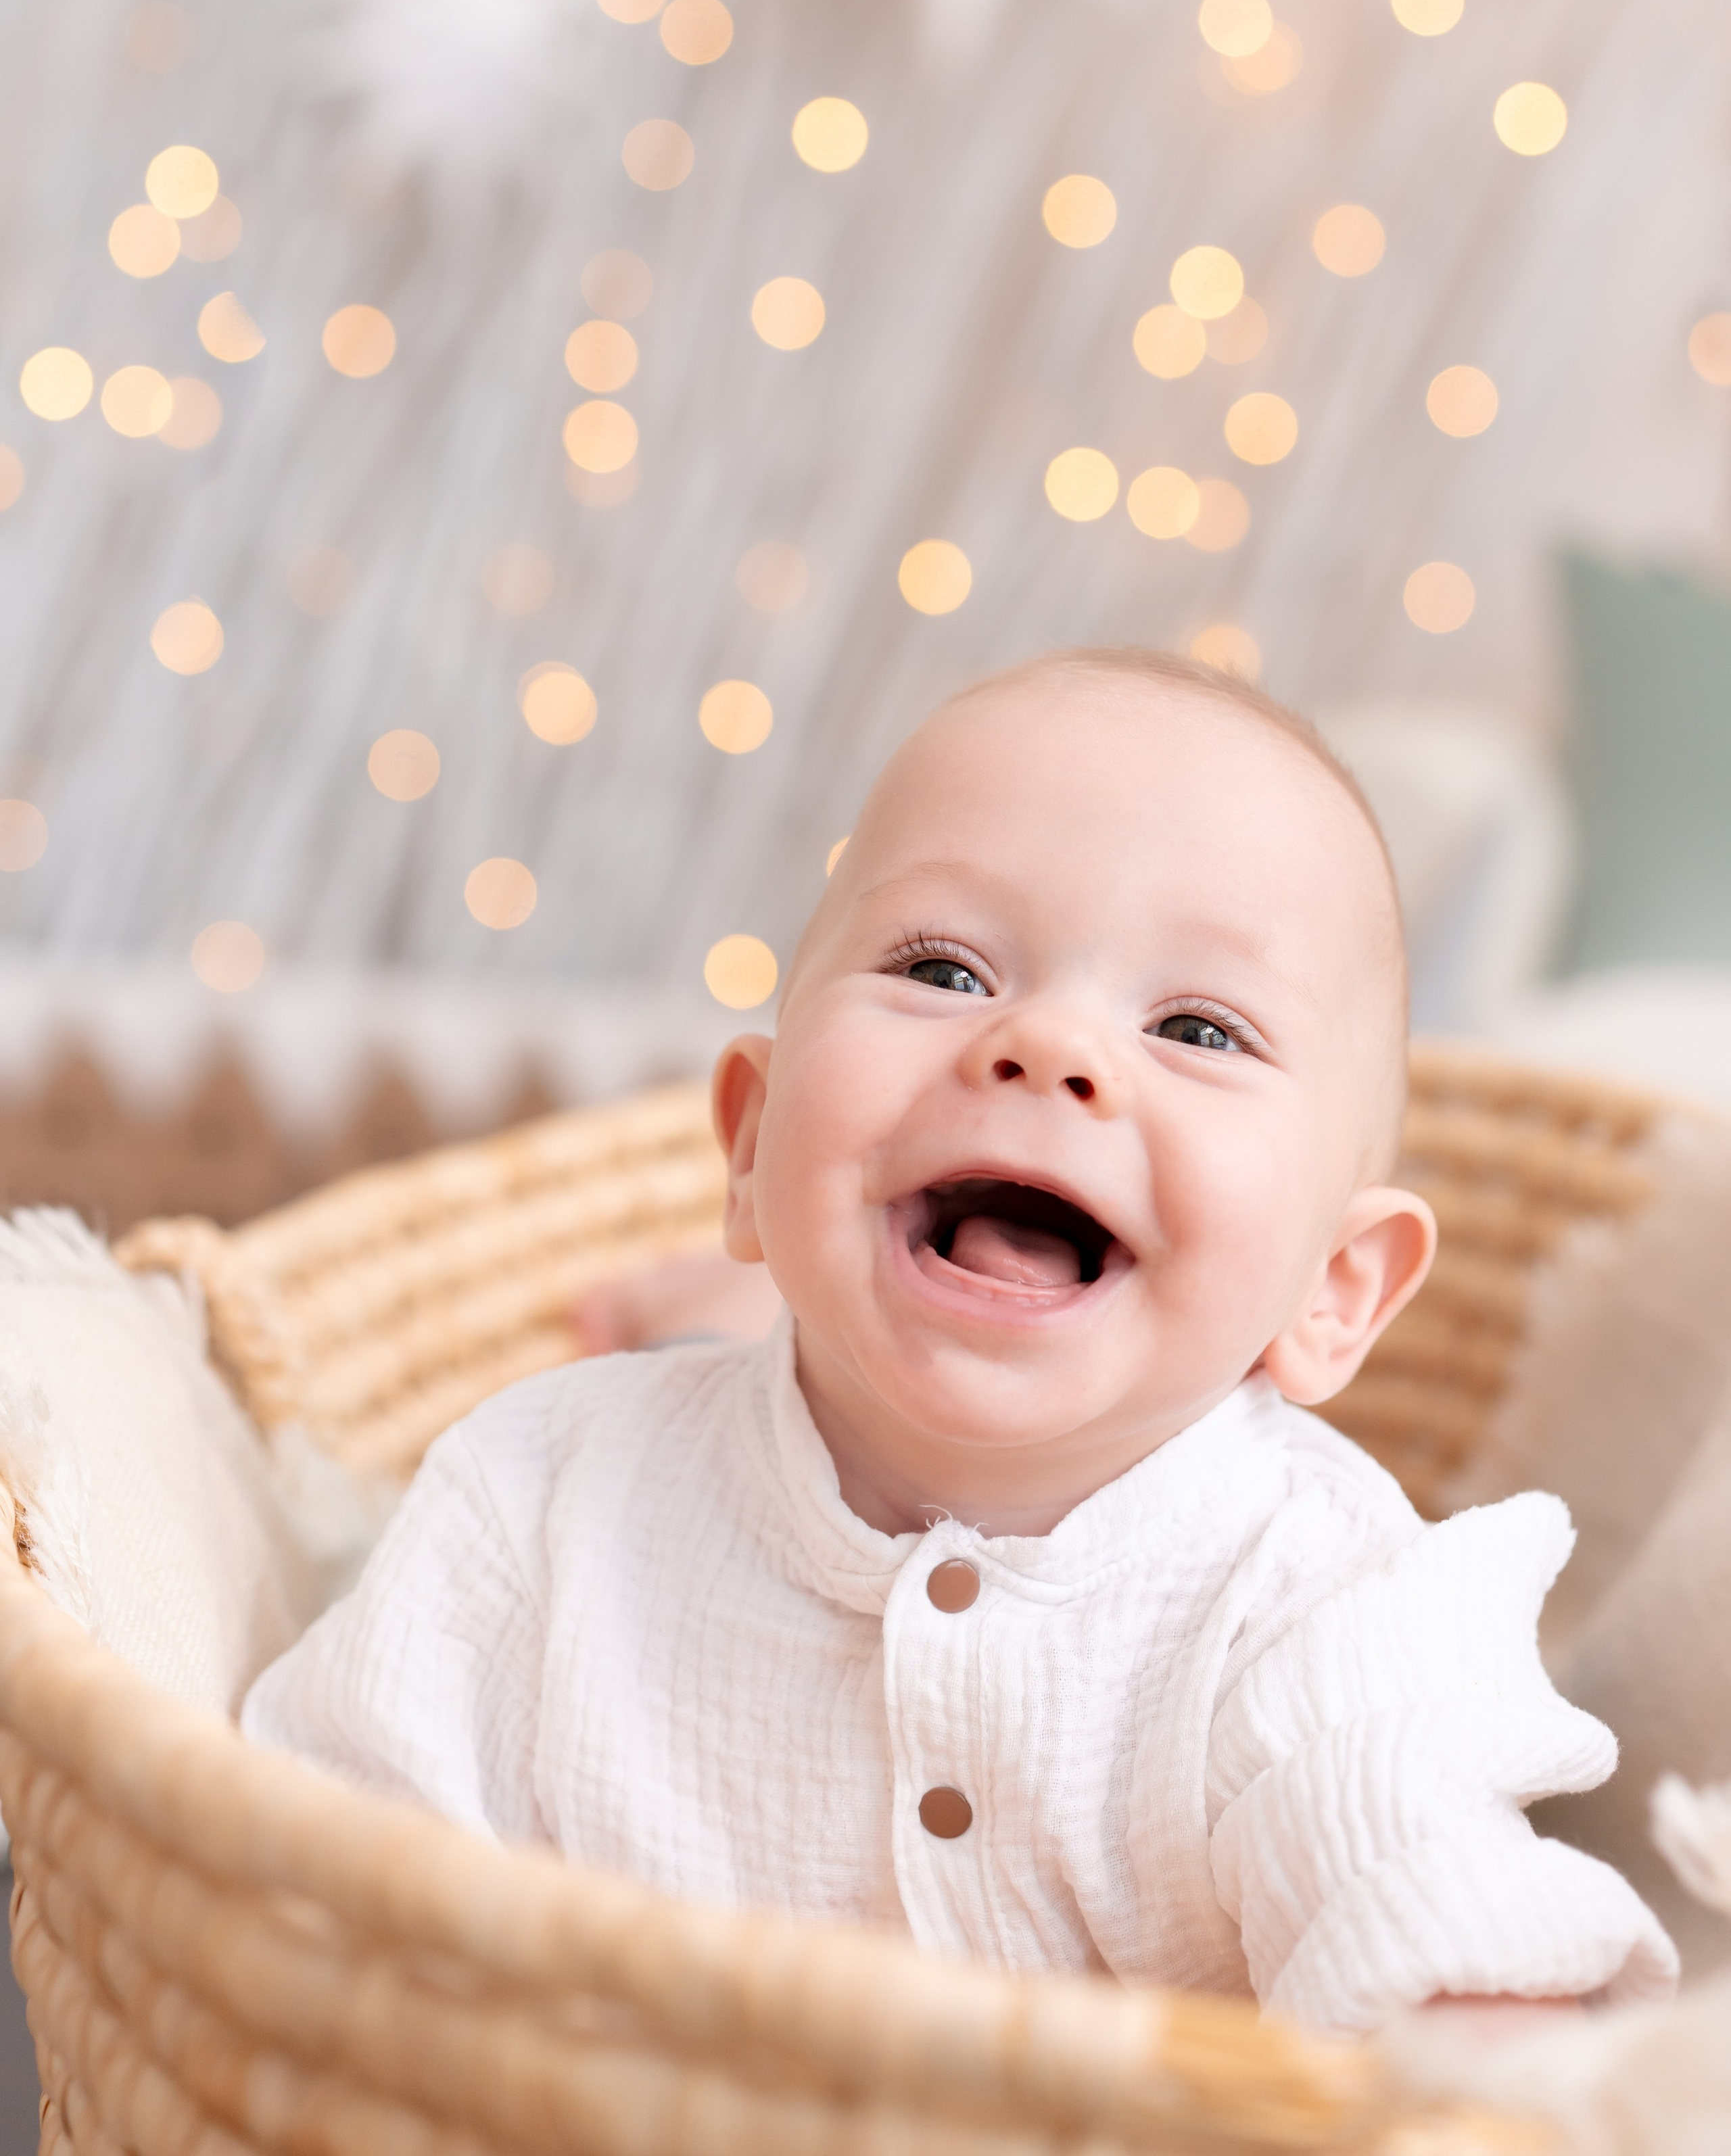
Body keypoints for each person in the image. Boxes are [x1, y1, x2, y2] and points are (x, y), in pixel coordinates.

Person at [242, 648, 1678, 2034]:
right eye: (941, 970)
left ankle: (718, 1309)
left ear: (1335, 1290)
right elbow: (291, 1882)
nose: (1048, 1045)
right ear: (747, 1148)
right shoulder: (540, 1499)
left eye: (1197, 1026)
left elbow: (1427, 1907)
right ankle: (715, 1319)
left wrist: (1470, 2035)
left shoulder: (1320, 1601)